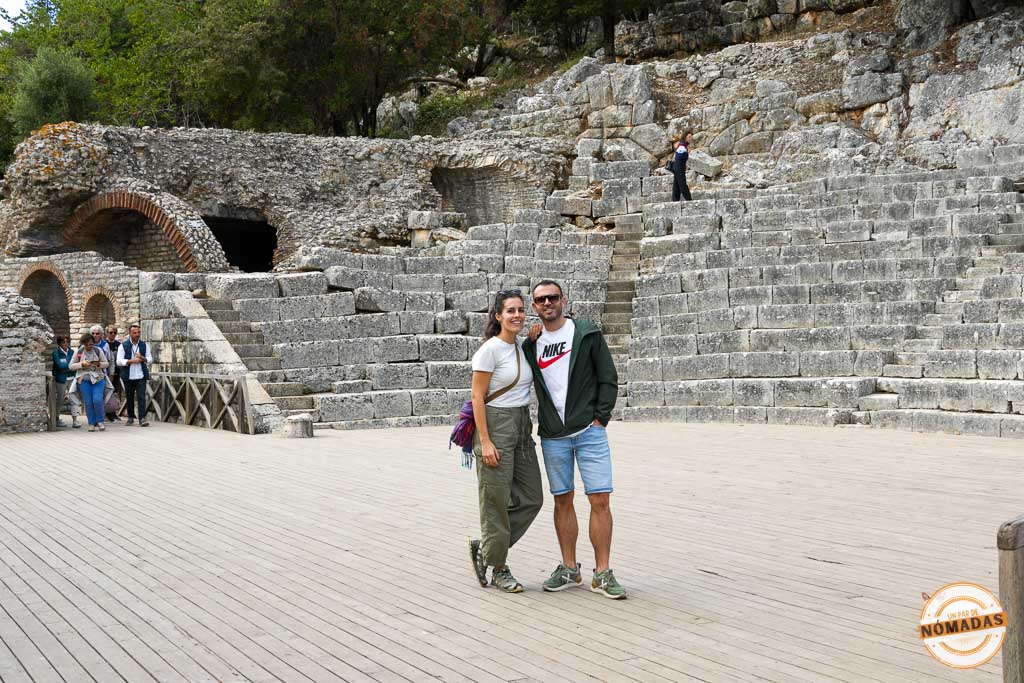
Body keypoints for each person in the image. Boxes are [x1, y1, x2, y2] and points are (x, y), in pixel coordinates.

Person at [522, 279, 625, 599]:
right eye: (540, 300)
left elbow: (607, 376)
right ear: (534, 307)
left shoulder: (586, 332)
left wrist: (600, 417)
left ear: (563, 300)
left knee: (600, 499)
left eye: (552, 297)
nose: (547, 303)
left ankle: (603, 572)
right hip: (554, 434)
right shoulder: (530, 344)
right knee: (562, 499)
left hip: (589, 431)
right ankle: (569, 567)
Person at [467, 289, 542, 593]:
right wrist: (485, 441)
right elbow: (477, 396)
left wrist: (536, 335)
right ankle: (499, 568)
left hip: (522, 425)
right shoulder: (490, 350)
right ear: (498, 316)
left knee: (533, 497)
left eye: (521, 310)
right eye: (510, 310)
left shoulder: (523, 346)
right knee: (496, 501)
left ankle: (487, 548)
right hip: (495, 425)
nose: (517, 315)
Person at [69, 332, 108, 432]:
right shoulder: (79, 351)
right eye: (86, 344)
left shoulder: (98, 350)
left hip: (98, 379)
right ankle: (91, 423)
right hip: (84, 380)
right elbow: (71, 366)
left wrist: (98, 364)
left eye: (90, 344)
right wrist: (82, 364)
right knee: (88, 402)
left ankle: (100, 421)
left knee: (97, 400)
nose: (88, 346)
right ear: (83, 344)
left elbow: (106, 363)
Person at [117, 323, 153, 427]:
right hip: (128, 376)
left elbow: (150, 359)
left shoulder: (144, 345)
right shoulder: (123, 346)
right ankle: (130, 417)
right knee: (129, 397)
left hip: (141, 375)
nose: (137, 335)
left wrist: (142, 358)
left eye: (138, 333)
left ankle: (142, 418)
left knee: (142, 397)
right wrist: (131, 361)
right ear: (130, 333)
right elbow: (119, 361)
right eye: (134, 333)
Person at [51, 335, 80, 428]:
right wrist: (71, 366)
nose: (66, 343)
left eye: (67, 341)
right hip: (61, 379)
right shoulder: (56, 353)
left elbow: (75, 364)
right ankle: (56, 418)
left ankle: (75, 420)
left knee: (73, 399)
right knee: (60, 399)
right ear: (59, 343)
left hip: (72, 378)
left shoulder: (72, 352)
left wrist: (70, 366)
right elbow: (60, 366)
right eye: (64, 342)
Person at [104, 325, 122, 422]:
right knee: (107, 393)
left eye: (115, 332)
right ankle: (107, 413)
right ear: (107, 333)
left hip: (117, 372)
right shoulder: (104, 344)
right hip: (106, 373)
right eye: (111, 332)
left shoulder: (119, 345)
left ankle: (114, 413)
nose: (113, 334)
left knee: (115, 393)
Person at [672, 131, 693, 202]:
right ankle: (689, 201)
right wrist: (686, 153)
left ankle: (675, 201)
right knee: (682, 185)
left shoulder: (683, 145)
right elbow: (679, 157)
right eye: (689, 137)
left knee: (676, 185)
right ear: (685, 137)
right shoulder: (682, 146)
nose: (690, 138)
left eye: (691, 137)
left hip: (677, 167)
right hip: (679, 167)